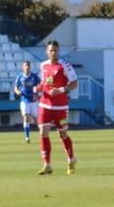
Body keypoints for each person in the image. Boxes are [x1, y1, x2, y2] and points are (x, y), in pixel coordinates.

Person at [36, 41, 78, 175]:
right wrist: (38, 88)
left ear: (58, 51)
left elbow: (74, 83)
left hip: (61, 107)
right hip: (45, 105)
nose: (53, 53)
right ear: (46, 51)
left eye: (55, 50)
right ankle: (47, 164)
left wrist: (60, 90)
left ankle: (71, 159)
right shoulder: (43, 65)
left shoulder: (65, 66)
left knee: (63, 134)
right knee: (43, 132)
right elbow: (44, 82)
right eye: (51, 50)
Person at [12, 60, 40, 143]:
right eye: (25, 65)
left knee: (36, 119)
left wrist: (38, 92)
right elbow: (16, 88)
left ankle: (42, 135)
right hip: (24, 100)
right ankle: (27, 137)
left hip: (34, 101)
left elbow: (40, 85)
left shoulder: (34, 76)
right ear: (23, 67)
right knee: (26, 117)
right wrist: (18, 92)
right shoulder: (20, 77)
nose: (27, 67)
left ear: (30, 67)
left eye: (28, 65)